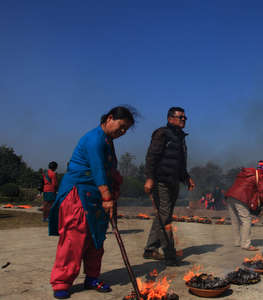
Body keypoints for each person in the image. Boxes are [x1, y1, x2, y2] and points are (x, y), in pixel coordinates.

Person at [48, 106, 135, 299]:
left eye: (125, 130)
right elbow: (97, 170)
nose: (122, 133)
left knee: (96, 238)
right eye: (121, 127)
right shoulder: (94, 139)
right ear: (110, 118)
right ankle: (62, 282)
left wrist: (114, 189)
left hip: (97, 198)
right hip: (78, 194)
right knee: (73, 239)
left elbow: (110, 170)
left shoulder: (108, 141)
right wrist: (106, 196)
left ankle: (92, 277)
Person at [143, 107, 195, 266]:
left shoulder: (180, 137)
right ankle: (170, 255)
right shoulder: (162, 133)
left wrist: (186, 177)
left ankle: (150, 249)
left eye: (185, 118)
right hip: (161, 182)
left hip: (173, 182)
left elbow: (179, 162)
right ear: (170, 118)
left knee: (162, 216)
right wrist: (150, 178)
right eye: (181, 117)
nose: (184, 120)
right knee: (165, 217)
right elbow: (152, 156)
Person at [225, 160, 263, 251]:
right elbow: (262, 194)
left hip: (230, 196)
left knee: (235, 220)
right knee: (246, 220)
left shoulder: (247, 173)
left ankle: (238, 242)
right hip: (241, 198)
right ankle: (246, 244)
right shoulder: (261, 176)